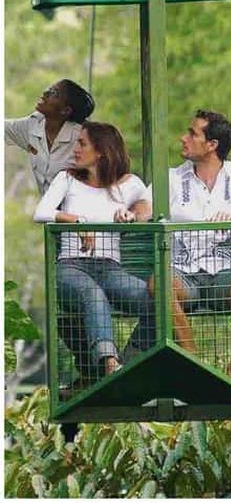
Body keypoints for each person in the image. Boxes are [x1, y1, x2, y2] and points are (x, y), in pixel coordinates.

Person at [135, 110, 231, 380]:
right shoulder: (172, 178)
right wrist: (139, 213)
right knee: (160, 283)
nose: (183, 138)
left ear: (212, 145)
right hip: (184, 274)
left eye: (192, 133)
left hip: (226, 275)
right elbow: (143, 206)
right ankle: (195, 363)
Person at [34, 121, 152, 379]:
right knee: (92, 294)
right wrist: (77, 221)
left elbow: (147, 206)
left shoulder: (129, 184)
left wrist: (130, 215)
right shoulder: (66, 179)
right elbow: (41, 212)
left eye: (82, 143)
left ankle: (129, 362)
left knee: (158, 302)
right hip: (71, 267)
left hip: (110, 268)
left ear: (101, 151)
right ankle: (109, 365)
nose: (75, 149)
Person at [7, 79, 95, 194]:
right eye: (48, 89)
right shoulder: (32, 125)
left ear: (66, 110)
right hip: (47, 209)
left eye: (54, 93)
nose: (45, 93)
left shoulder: (82, 137)